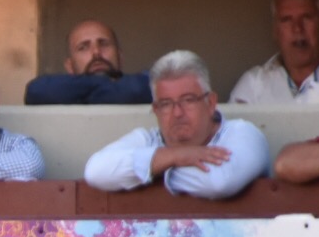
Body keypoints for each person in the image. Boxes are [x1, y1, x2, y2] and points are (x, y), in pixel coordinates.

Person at [84, 50, 270, 199]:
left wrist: (153, 170)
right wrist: (175, 156)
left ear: (211, 103)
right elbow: (96, 171)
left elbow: (220, 182)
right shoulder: (148, 139)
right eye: (166, 104)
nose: (177, 113)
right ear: (156, 110)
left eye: (188, 100)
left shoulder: (242, 133)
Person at [24, 20, 152, 104]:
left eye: (104, 44)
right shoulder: (49, 89)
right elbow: (37, 91)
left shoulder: (145, 84)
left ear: (120, 57)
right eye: (83, 47)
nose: (96, 52)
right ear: (69, 66)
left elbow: (140, 88)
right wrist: (110, 83)